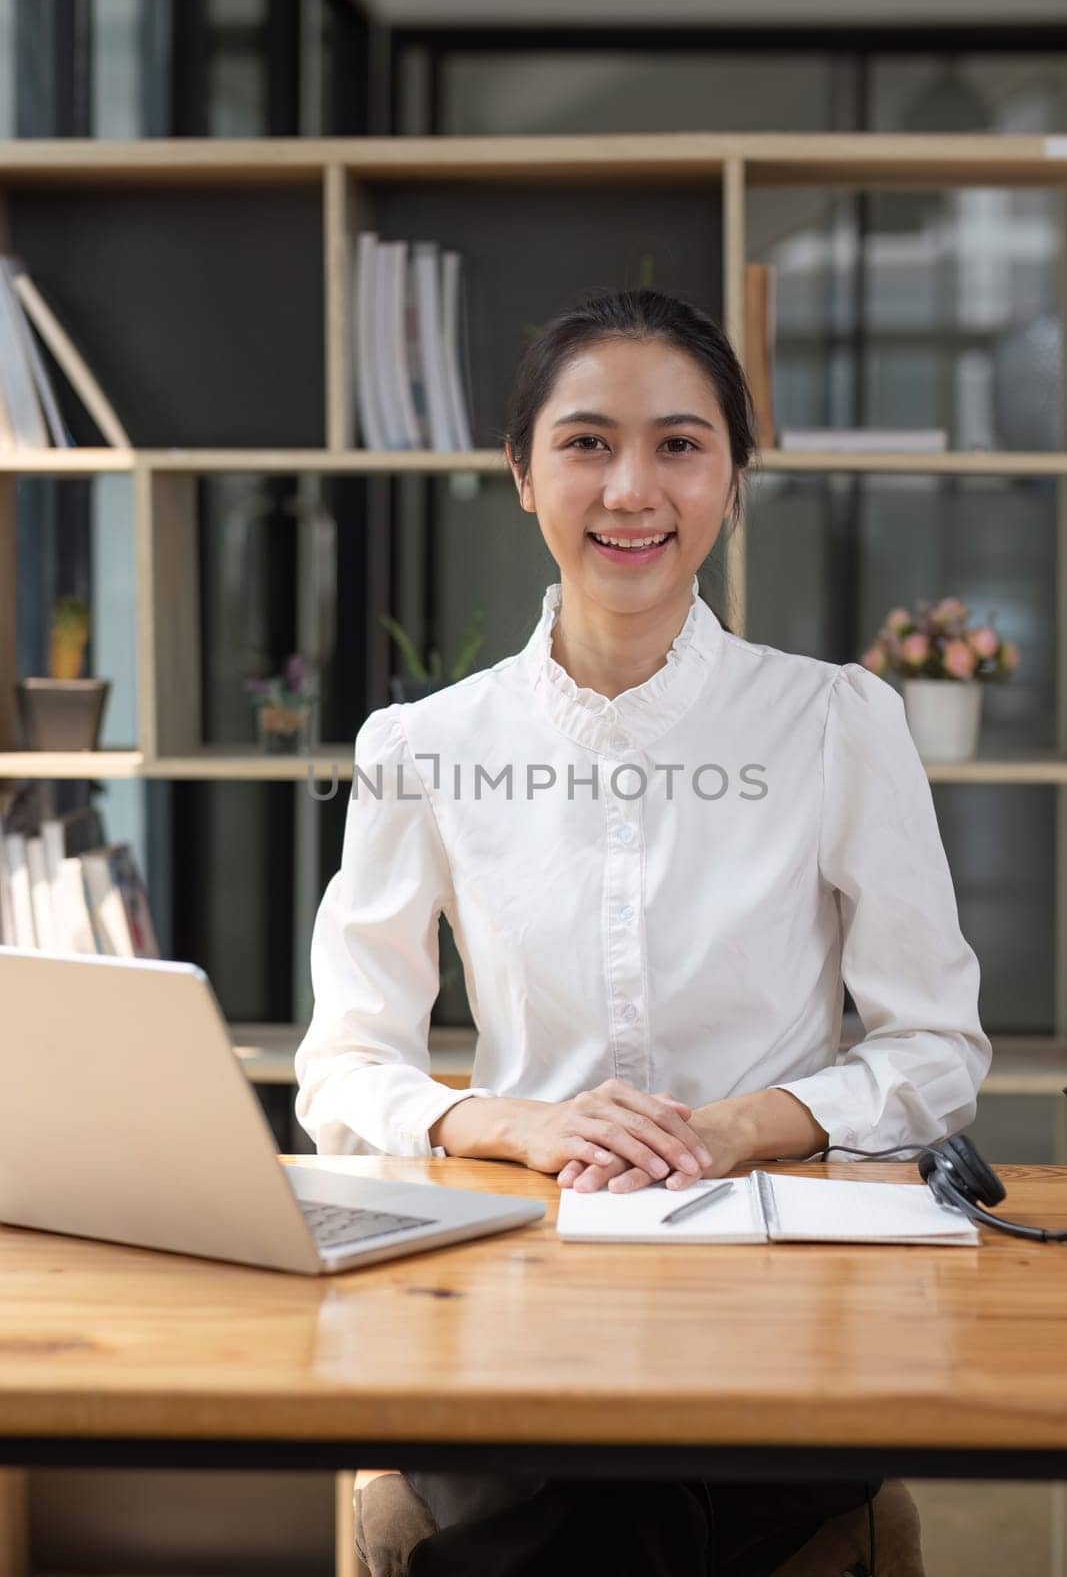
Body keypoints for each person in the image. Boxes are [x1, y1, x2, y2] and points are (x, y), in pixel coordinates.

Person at [294, 285, 990, 1574]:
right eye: (585, 442)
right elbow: (343, 1066)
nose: (632, 488)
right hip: (514, 1274)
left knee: (608, 1505)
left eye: (681, 444)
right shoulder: (425, 746)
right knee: (613, 1489)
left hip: (781, 1275)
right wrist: (517, 1123)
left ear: (733, 477)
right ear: (520, 474)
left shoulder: (834, 721)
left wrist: (736, 1125)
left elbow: (938, 1046)